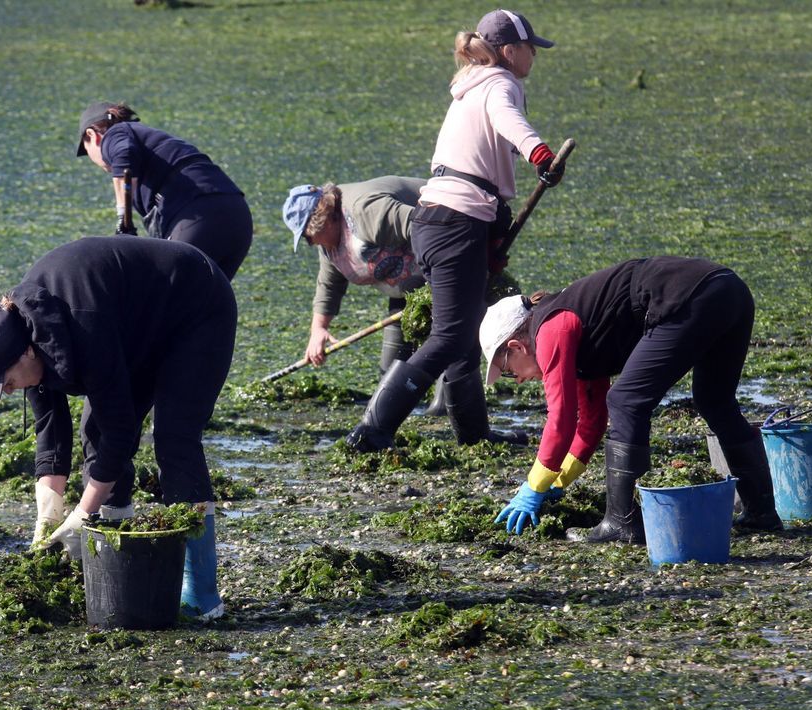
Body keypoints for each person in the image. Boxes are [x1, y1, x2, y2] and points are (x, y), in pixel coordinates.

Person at [0, 235, 236, 619]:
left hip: (195, 307)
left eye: (5, 383)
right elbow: (50, 429)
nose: (7, 392)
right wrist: (48, 513)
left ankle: (202, 593)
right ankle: (114, 561)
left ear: (25, 352)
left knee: (175, 439)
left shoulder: (81, 324)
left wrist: (82, 514)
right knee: (95, 433)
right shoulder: (25, 335)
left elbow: (122, 431)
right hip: (133, 328)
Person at [346, 9, 562, 453]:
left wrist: (490, 243)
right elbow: (507, 119)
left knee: (461, 333)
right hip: (456, 222)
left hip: (440, 221)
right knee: (450, 336)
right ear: (508, 51)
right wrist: (538, 153)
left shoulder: (468, 86)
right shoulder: (500, 84)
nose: (533, 58)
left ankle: (473, 433)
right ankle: (373, 429)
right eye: (529, 48)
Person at [483, 256, 784, 542]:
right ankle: (761, 512)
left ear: (516, 347)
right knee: (715, 401)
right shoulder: (572, 330)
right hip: (727, 288)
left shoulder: (551, 330)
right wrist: (557, 482)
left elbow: (560, 418)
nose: (519, 380)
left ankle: (623, 524)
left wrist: (534, 485)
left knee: (627, 401)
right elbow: (591, 423)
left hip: (691, 296)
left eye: (509, 371)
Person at [281, 177, 529, 441]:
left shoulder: (366, 212)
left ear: (321, 218)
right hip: (406, 289)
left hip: (448, 262)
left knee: (455, 342)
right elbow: (329, 283)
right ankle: (387, 426)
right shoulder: (331, 244)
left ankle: (467, 432)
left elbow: (431, 229)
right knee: (392, 369)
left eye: (308, 236)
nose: (311, 243)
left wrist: (447, 283)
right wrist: (319, 328)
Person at [75, 101, 253, 280]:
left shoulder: (116, 133)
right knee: (206, 303)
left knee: (163, 297)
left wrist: (123, 220)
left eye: (86, 149)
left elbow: (124, 155)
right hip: (238, 215)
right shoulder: (152, 140)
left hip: (198, 213)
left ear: (92, 135)